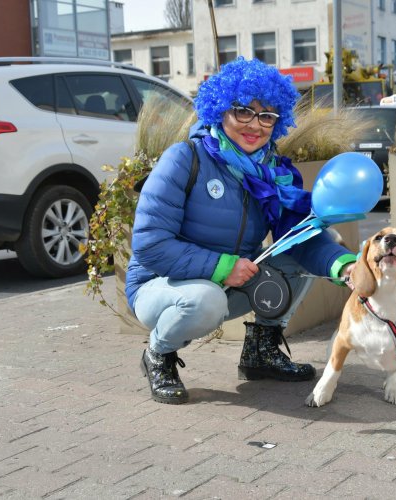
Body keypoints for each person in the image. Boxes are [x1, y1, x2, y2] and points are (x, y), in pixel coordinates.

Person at [126, 58, 357, 404]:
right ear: (220, 110)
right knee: (205, 299)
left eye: (266, 116)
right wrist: (221, 267)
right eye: (243, 112)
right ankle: (159, 353)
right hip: (160, 287)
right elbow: (150, 245)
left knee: (297, 255)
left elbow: (299, 234)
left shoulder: (271, 173)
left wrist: (344, 266)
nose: (255, 125)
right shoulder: (183, 159)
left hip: (232, 280)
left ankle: (260, 352)